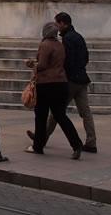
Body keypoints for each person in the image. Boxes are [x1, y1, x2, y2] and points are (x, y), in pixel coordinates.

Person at [26, 22, 84, 160]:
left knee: (41, 116)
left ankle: (38, 146)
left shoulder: (45, 44)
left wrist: (31, 64)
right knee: (60, 116)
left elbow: (43, 65)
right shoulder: (60, 45)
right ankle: (76, 144)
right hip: (61, 83)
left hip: (46, 84)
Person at [44, 12, 97, 152]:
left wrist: (65, 75)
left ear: (63, 23)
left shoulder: (67, 39)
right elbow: (86, 57)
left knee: (56, 111)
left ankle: (42, 138)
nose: (56, 27)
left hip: (71, 80)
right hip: (82, 78)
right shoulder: (79, 36)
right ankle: (91, 142)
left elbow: (66, 60)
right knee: (86, 113)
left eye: (57, 24)